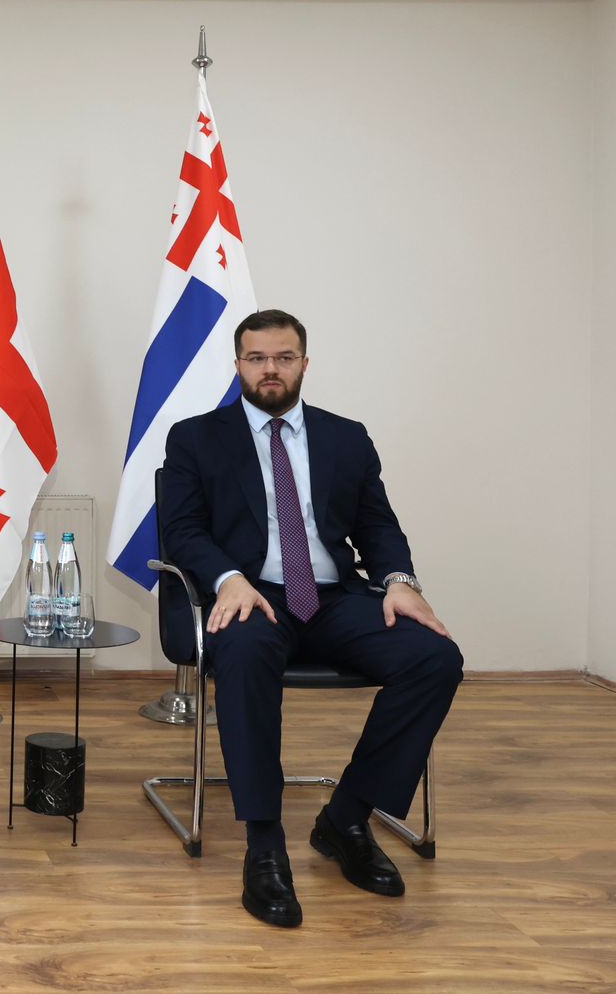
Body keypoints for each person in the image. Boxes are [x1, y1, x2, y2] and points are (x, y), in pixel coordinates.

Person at [161, 308, 464, 928]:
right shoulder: (195, 438)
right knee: (245, 651)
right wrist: (229, 578)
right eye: (257, 358)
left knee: (435, 657)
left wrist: (400, 582)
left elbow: (377, 525)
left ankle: (347, 818)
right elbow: (183, 531)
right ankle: (265, 843)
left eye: (283, 357)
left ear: (304, 363)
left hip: (332, 597)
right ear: (238, 365)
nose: (270, 369)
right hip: (250, 594)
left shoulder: (346, 437)